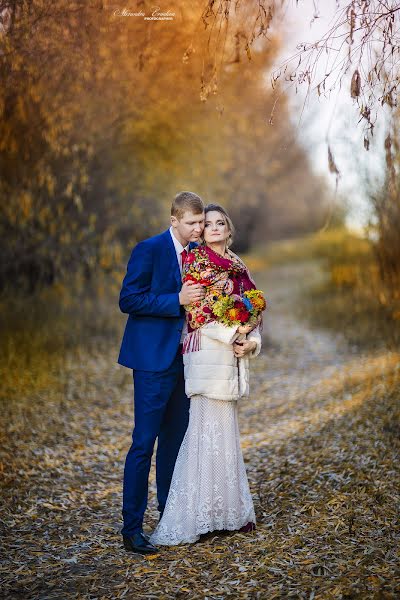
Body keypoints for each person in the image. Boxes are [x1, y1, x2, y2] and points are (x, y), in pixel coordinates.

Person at [150, 203, 262, 546]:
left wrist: (250, 341)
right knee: (203, 432)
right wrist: (233, 333)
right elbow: (197, 312)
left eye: (220, 223)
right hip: (206, 353)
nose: (213, 228)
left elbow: (253, 308)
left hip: (230, 356)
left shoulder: (239, 266)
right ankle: (192, 516)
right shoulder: (196, 262)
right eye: (208, 223)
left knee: (225, 434)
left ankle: (228, 513)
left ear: (229, 230)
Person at [117, 191, 206, 554]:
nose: (198, 228)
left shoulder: (200, 254)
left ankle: (169, 516)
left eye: (201, 222)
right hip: (153, 361)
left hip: (187, 362)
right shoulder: (150, 249)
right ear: (174, 221)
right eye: (191, 223)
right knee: (144, 443)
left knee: (174, 442)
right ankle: (132, 528)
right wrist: (176, 301)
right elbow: (129, 299)